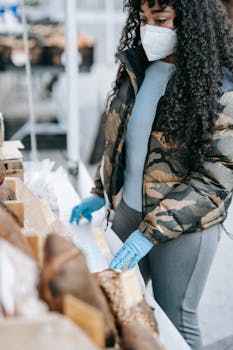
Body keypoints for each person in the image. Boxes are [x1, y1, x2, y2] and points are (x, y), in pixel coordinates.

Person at [70, 1, 233, 349]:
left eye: (160, 20)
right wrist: (100, 190)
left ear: (191, 22)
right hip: (129, 213)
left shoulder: (220, 88)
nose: (149, 29)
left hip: (184, 231)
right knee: (120, 308)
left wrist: (151, 232)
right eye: (142, 19)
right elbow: (121, 141)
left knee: (176, 321)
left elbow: (215, 181)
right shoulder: (138, 67)